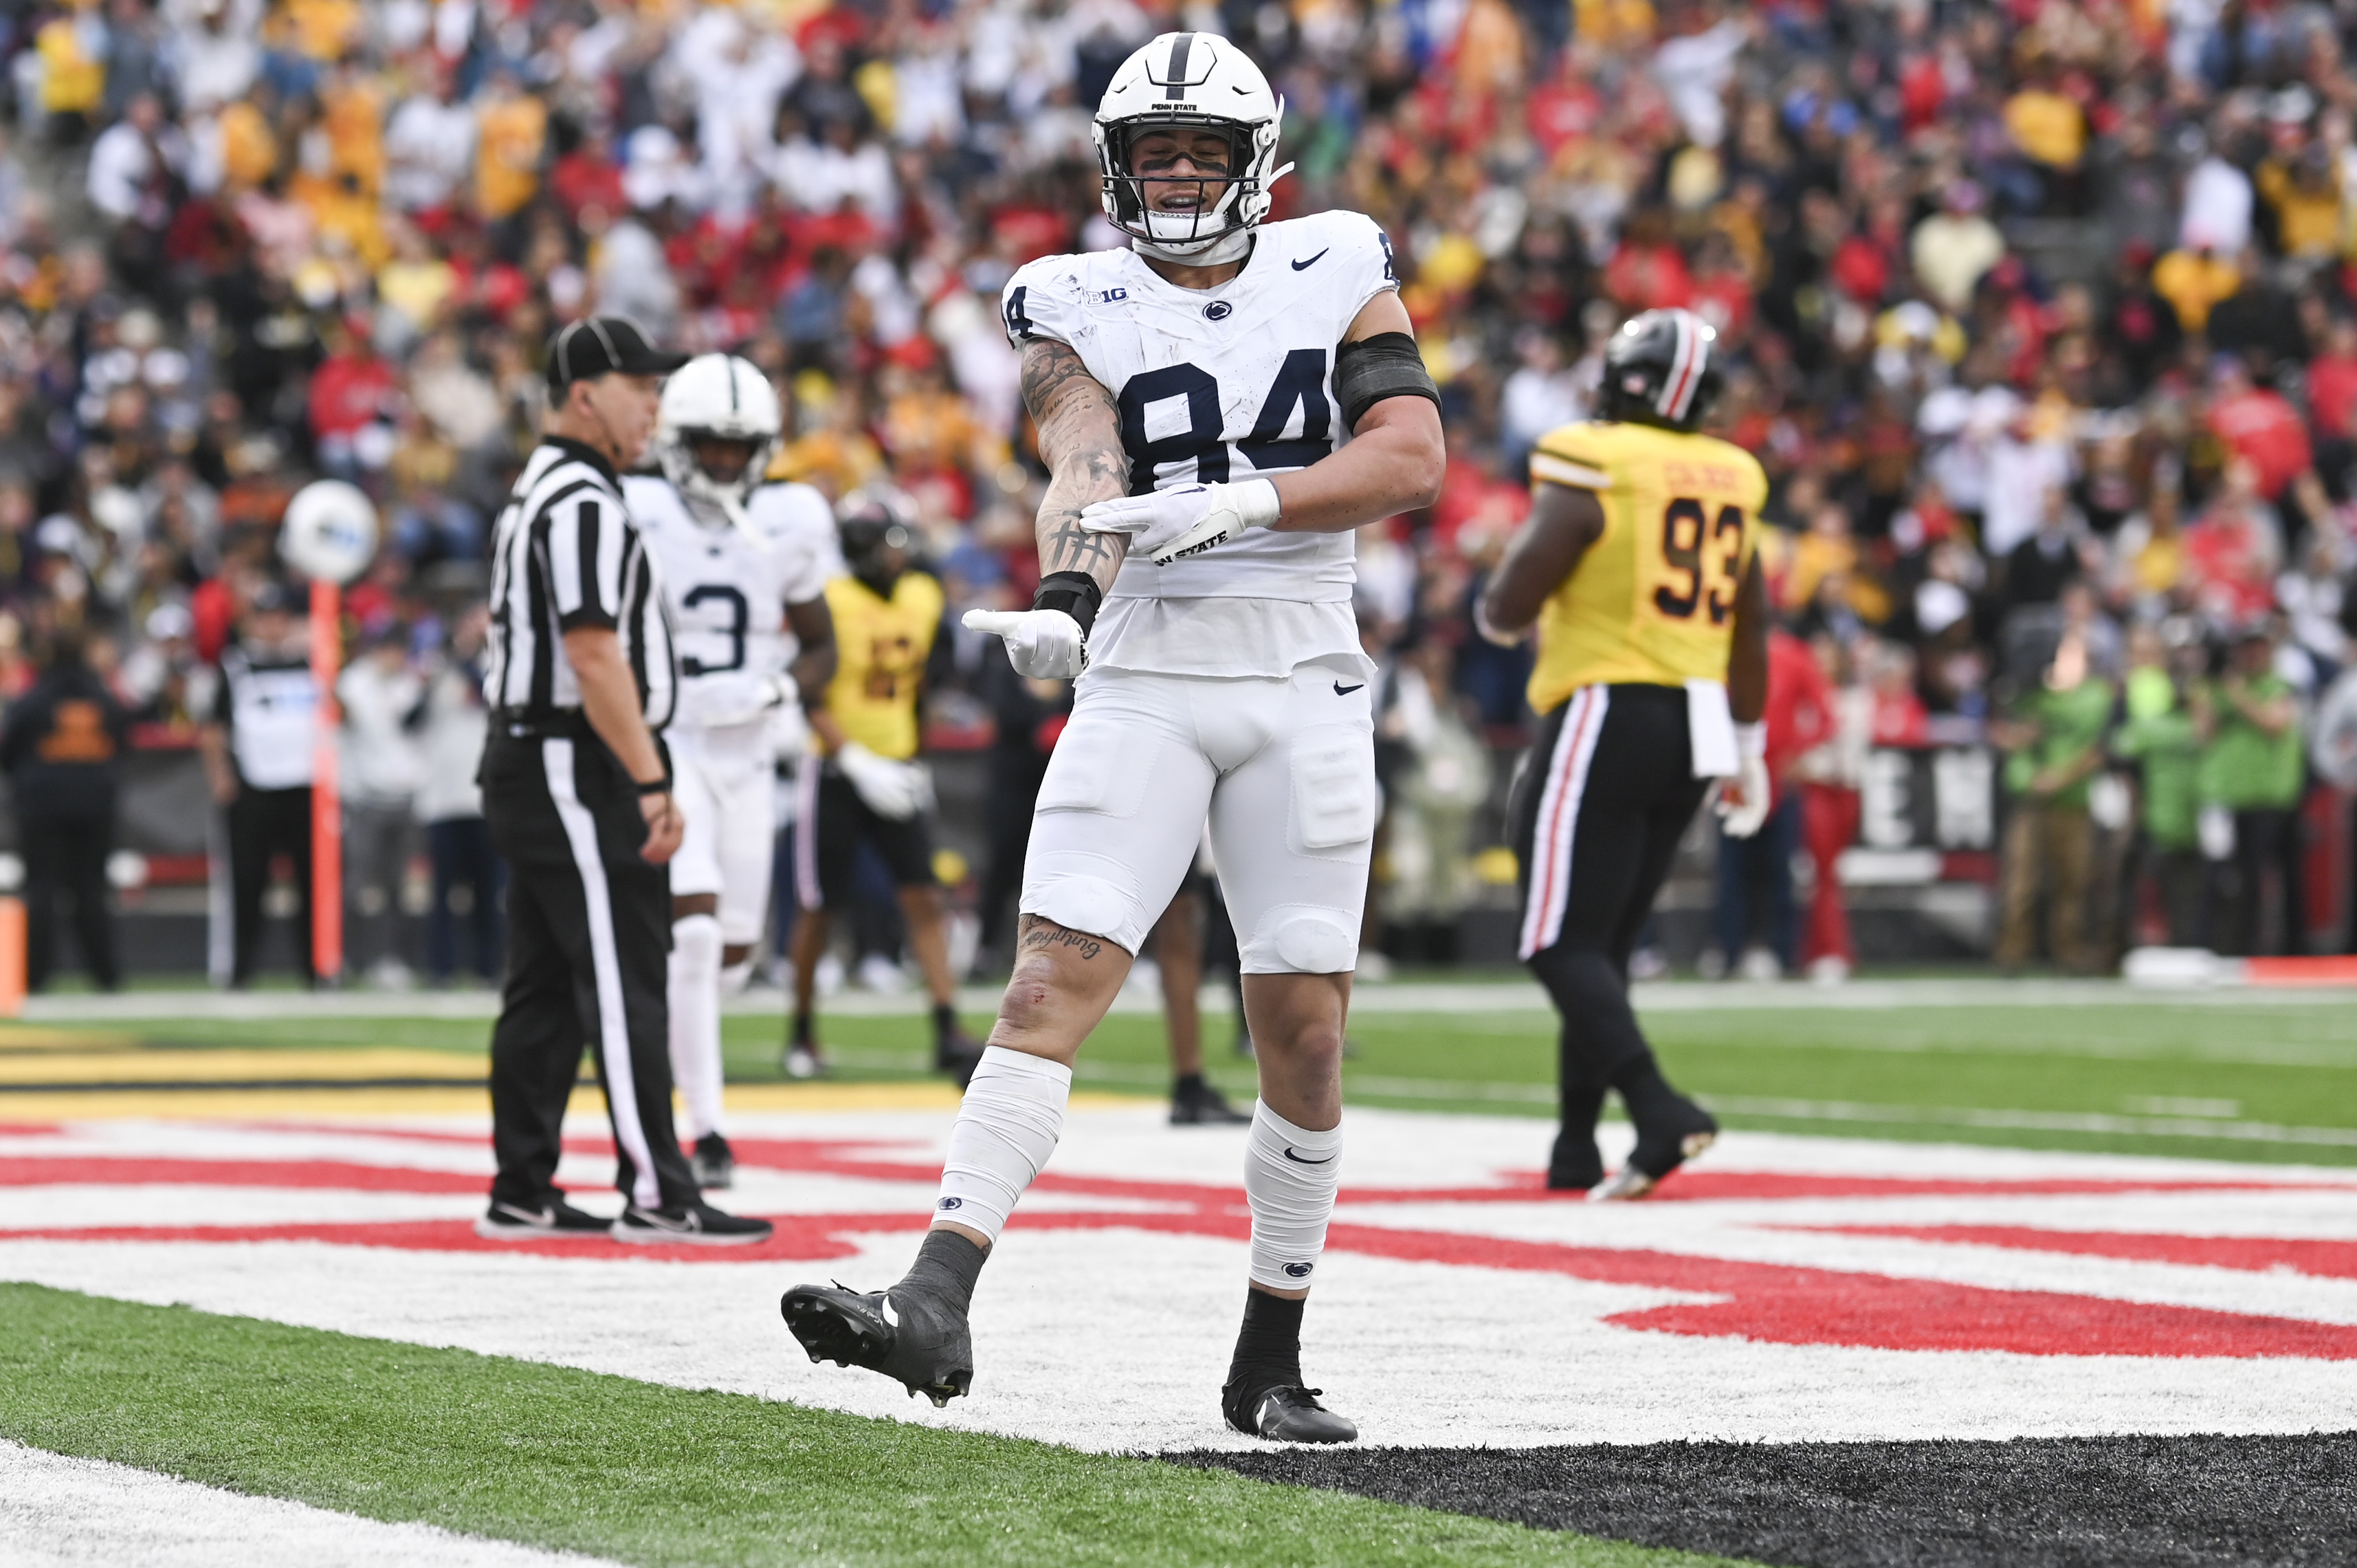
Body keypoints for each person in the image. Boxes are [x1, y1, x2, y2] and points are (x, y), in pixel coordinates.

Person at [781, 33, 1444, 1446]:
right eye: (1159, 153)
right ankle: (935, 1297)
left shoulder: (1336, 262)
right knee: (1046, 981)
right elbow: (1082, 460)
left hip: (1299, 670)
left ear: (1256, 164)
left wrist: (1252, 504)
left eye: (1206, 151)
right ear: (1117, 169)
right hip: (1143, 669)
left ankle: (1269, 1355)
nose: (1183, 173)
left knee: (1305, 1039)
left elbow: (1410, 455)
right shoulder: (1070, 296)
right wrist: (1065, 597)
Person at [475, 315, 771, 1246]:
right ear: (583, 393)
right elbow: (595, 652)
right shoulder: (587, 501)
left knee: (547, 983)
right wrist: (650, 778)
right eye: (638, 388)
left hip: (537, 751)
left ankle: (522, 1185)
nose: (652, 406)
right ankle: (657, 1188)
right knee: (623, 968)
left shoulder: (551, 488)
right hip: (572, 756)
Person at [1476, 307, 1773, 1200]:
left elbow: (1511, 599)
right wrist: (1751, 744)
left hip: (1607, 701)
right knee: (1598, 942)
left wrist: (1502, 606)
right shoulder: (1734, 473)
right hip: (1698, 719)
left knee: (1552, 939)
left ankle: (1656, 1107)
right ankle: (1574, 1145)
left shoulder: (1595, 456)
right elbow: (1749, 623)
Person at [624, 353, 838, 1190]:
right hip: (669, 736)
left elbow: (822, 644)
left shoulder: (791, 517)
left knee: (735, 953)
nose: (720, 462)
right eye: (707, 445)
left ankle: (660, 1034)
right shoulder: (635, 509)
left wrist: (780, 684)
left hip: (747, 751)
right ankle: (706, 1128)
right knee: (696, 929)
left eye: (735, 447)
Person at [200, 579, 318, 988]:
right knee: (248, 885)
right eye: (264, 618)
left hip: (306, 789)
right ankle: (240, 970)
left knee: (313, 885)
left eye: (278, 617)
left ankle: (317, 969)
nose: (272, 626)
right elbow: (213, 729)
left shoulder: (313, 663)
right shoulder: (235, 667)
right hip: (254, 789)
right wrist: (221, 778)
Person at [0, 628, 130, 991]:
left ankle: (36, 976)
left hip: (41, 805)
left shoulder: (33, 699)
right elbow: (121, 741)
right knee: (91, 890)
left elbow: (9, 750)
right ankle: (105, 976)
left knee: (41, 890)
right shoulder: (102, 698)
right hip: (95, 805)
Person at [1990, 629, 2115, 972]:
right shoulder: (2031, 696)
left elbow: (2099, 749)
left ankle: (2071, 952)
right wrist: (2028, 769)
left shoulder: (2097, 697)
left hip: (2074, 801)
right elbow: (2006, 734)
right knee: (2021, 880)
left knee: (2073, 882)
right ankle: (2012, 952)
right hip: (2032, 802)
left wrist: (2059, 777)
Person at [2194, 626, 2307, 956]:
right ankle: (2224, 946)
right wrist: (2208, 693)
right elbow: (2203, 734)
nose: (2252, 655)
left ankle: (2271, 949)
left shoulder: (2278, 685)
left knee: (2265, 877)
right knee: (2224, 876)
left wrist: (2237, 695)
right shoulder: (2216, 687)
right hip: (2226, 796)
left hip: (2269, 797)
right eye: (2246, 648)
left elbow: (2274, 724)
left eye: (2258, 647)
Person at [415, 603, 504, 987]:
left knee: (489, 891)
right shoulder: (437, 670)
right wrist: (440, 671)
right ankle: (442, 969)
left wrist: (468, 659)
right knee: (443, 894)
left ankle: (488, 967)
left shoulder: (497, 668)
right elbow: (411, 720)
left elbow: (490, 699)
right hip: (443, 799)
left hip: (484, 800)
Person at [336, 624, 425, 988]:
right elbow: (344, 724)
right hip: (363, 799)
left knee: (396, 888)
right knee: (356, 884)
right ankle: (341, 957)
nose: (393, 656)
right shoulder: (353, 683)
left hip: (404, 796)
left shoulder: (411, 683)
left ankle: (388, 959)